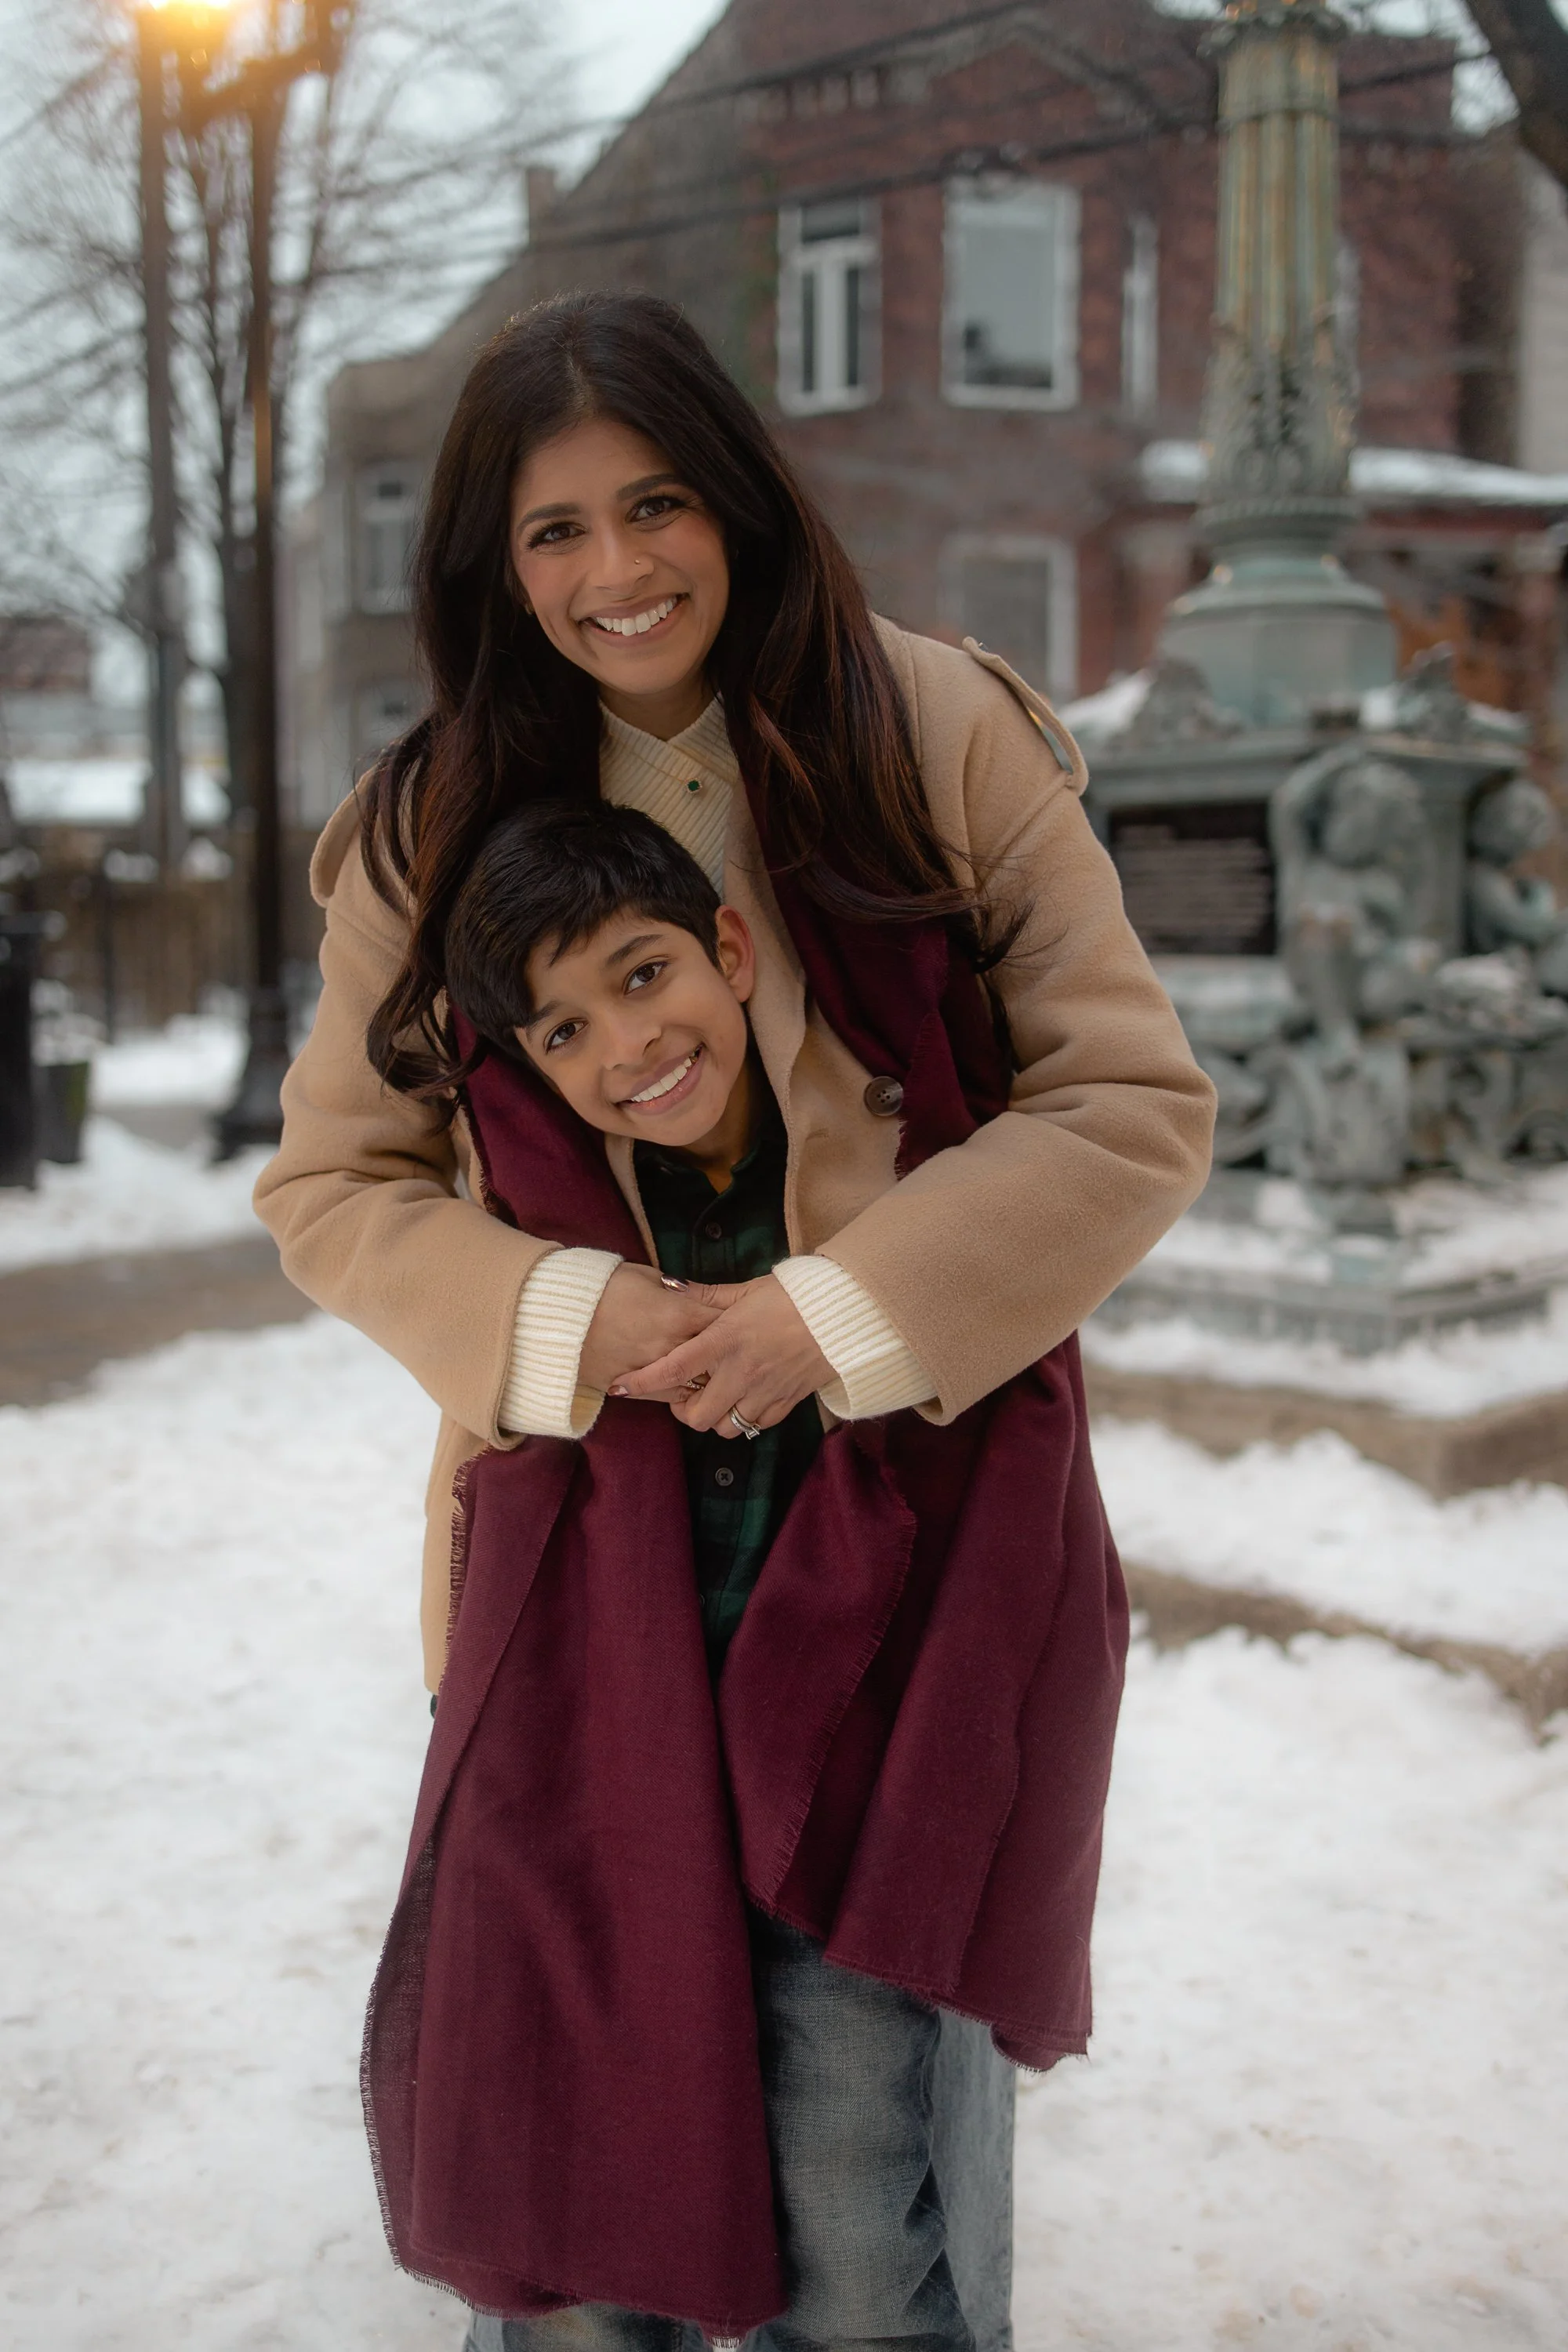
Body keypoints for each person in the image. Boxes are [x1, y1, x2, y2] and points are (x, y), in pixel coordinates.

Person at [254, 289, 1215, 2352]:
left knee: (862, 2173)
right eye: (555, 533)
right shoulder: (426, 828)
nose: (617, 574)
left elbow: (1129, 1106)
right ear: (490, 569)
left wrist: (831, 1315)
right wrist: (584, 1320)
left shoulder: (938, 730)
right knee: (590, 2123)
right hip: (577, 1564)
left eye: (657, 503)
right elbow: (333, 1184)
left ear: (741, 500)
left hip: (914, 1537)